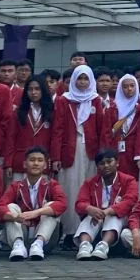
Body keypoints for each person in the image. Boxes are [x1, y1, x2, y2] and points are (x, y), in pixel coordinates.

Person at [52, 65, 104, 234]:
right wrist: (56, 156)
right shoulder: (64, 100)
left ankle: (88, 231)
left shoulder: (96, 100)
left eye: (85, 79)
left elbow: (101, 129)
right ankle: (68, 230)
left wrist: (102, 156)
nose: (82, 82)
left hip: (90, 151)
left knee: (89, 188)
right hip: (69, 151)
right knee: (69, 188)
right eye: (79, 79)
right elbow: (57, 129)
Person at [0, 146, 66, 261]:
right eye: (32, 160)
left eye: (40, 160)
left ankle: (38, 244)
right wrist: (14, 217)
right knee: (11, 207)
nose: (35, 163)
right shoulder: (16, 186)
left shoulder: (52, 184)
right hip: (22, 232)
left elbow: (62, 204)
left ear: (45, 165)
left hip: (46, 240)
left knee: (51, 206)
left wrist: (37, 212)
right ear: (25, 164)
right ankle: (18, 244)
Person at [74, 148, 138, 260]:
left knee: (114, 217)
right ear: (97, 166)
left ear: (117, 163)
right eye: (102, 163)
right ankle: (84, 245)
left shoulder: (129, 180)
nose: (106, 166)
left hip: (120, 220)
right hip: (97, 218)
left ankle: (103, 246)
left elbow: (130, 201)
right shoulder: (90, 182)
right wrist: (89, 208)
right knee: (90, 217)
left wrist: (108, 211)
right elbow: (80, 203)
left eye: (109, 162)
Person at [104, 74, 140, 178]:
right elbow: (106, 132)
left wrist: (139, 154)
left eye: (132, 86)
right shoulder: (113, 108)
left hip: (134, 150)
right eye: (125, 86)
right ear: (120, 88)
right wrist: (107, 153)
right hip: (115, 148)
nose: (129, 89)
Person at [9, 76, 55, 163]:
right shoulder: (18, 112)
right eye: (30, 89)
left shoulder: (52, 111)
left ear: (43, 90)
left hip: (43, 160)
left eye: (37, 89)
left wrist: (54, 158)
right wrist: (8, 164)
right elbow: (10, 138)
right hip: (21, 160)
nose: (33, 92)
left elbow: (55, 137)